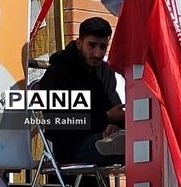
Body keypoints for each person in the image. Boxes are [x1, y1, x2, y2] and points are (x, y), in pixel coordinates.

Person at [39, 17, 125, 168]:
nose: (97, 53)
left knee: (136, 144)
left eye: (103, 47)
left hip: (101, 138)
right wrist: (106, 117)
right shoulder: (58, 73)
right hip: (69, 146)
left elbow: (113, 109)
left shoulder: (104, 73)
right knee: (128, 147)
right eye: (92, 45)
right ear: (79, 43)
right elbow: (59, 121)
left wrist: (113, 125)